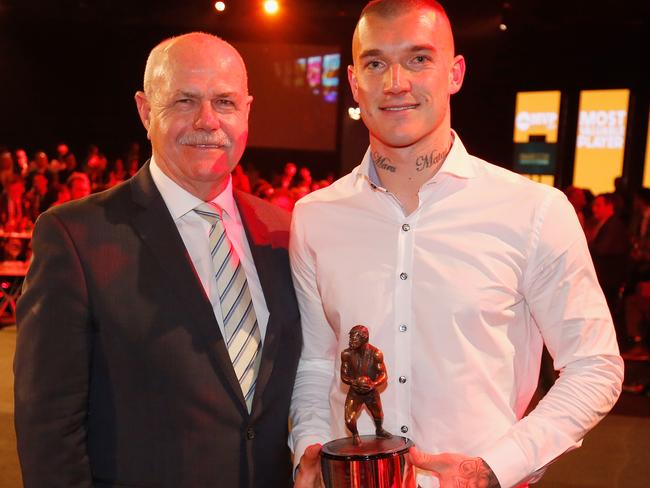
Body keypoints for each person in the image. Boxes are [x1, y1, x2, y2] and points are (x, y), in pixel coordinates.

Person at [289, 2, 623, 488]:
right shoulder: (315, 216)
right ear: (355, 80)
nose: (396, 82)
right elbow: (317, 361)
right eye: (376, 62)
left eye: (419, 59)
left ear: (455, 72)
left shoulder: (534, 211)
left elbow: (595, 365)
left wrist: (493, 468)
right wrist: (310, 452)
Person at [14, 32, 301, 488]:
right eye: (185, 101)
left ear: (247, 110)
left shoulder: (284, 232)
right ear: (146, 111)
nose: (207, 121)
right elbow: (49, 427)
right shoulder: (76, 237)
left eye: (224, 102)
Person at [341, 325, 392, 446]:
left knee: (378, 413)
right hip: (355, 391)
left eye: (355, 339)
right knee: (348, 418)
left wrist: (373, 384)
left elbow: (384, 375)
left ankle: (379, 430)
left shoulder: (376, 354)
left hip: (371, 391)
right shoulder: (346, 354)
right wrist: (353, 382)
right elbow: (344, 376)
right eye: (351, 338)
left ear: (365, 338)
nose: (351, 341)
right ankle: (355, 435)